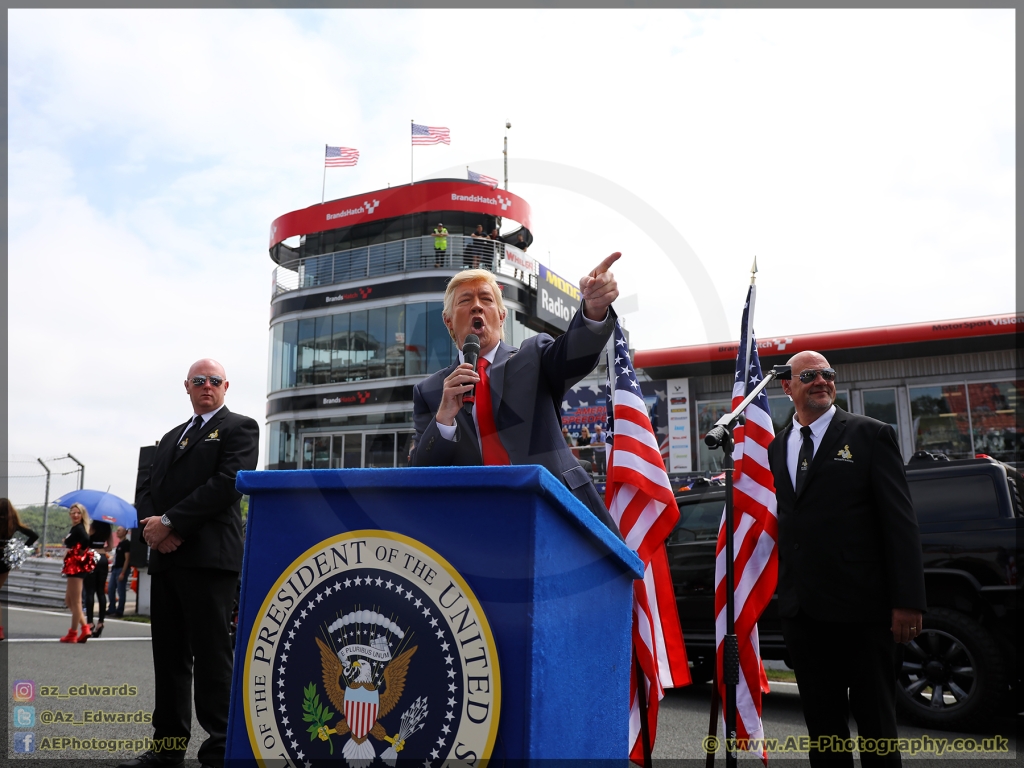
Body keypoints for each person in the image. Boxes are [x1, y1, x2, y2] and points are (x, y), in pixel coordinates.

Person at [767, 350, 926, 768]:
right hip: (803, 614)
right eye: (809, 375)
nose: (821, 381)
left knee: (876, 726)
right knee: (824, 730)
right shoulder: (777, 446)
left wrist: (907, 600)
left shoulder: (871, 434)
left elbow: (900, 523)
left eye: (827, 374)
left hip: (863, 612)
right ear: (787, 387)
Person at [411, 254, 622, 535]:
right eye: (465, 301)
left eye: (486, 299)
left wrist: (593, 311)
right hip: (479, 530)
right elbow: (420, 474)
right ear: (448, 321)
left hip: (555, 516)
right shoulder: (430, 392)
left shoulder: (533, 355)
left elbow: (575, 352)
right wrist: (444, 420)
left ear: (501, 315)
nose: (477, 306)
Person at [119, 359, 259, 768]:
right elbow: (146, 489)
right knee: (169, 658)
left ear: (226, 386)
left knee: (214, 657)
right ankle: (167, 748)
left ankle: (220, 748)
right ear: (187, 387)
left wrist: (170, 522)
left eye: (214, 380)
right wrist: (155, 529)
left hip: (209, 560)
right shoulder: (169, 437)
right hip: (167, 558)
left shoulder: (240, 428)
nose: (206, 386)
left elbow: (227, 483)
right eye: (199, 381)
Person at [0, 498, 39, 641]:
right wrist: (21, 549)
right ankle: (0, 630)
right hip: (5, 559)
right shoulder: (13, 524)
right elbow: (34, 535)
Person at [60, 503, 95, 643]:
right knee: (69, 600)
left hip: (76, 567)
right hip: (72, 566)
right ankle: (85, 627)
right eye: (73, 512)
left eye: (78, 513)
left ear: (82, 515)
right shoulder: (75, 528)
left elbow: (86, 541)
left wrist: (80, 554)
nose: (75, 515)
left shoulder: (80, 529)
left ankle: (73, 633)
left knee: (75, 601)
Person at [83, 519, 113, 637]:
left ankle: (90, 622)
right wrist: (101, 550)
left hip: (91, 557)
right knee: (101, 591)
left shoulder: (91, 527)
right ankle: (101, 622)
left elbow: (85, 542)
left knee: (89, 591)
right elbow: (110, 547)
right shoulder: (108, 529)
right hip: (103, 558)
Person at [108, 526, 132, 618]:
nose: (117, 532)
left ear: (125, 532)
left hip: (121, 569)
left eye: (119, 530)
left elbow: (127, 559)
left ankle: (120, 610)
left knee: (121, 590)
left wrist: (123, 572)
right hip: (115, 568)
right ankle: (112, 608)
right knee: (110, 588)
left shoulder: (126, 544)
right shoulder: (119, 544)